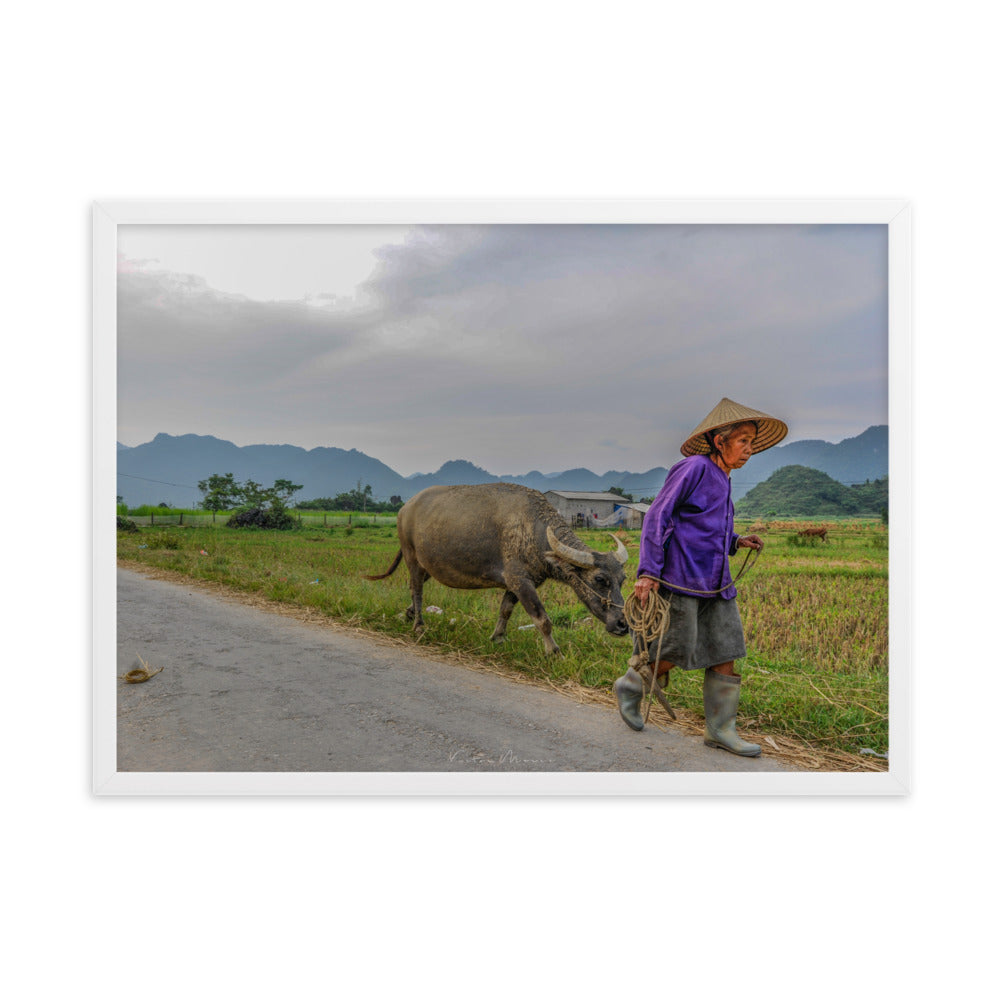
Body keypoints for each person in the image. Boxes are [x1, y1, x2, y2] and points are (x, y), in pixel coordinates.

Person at [613, 397, 788, 756]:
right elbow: (657, 517)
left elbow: (707, 528)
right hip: (680, 579)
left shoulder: (724, 478)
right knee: (672, 649)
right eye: (743, 441)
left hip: (717, 582)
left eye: (752, 443)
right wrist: (647, 572)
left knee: (727, 648)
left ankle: (720, 729)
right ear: (719, 441)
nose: (749, 450)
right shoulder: (692, 468)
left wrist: (737, 541)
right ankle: (632, 685)